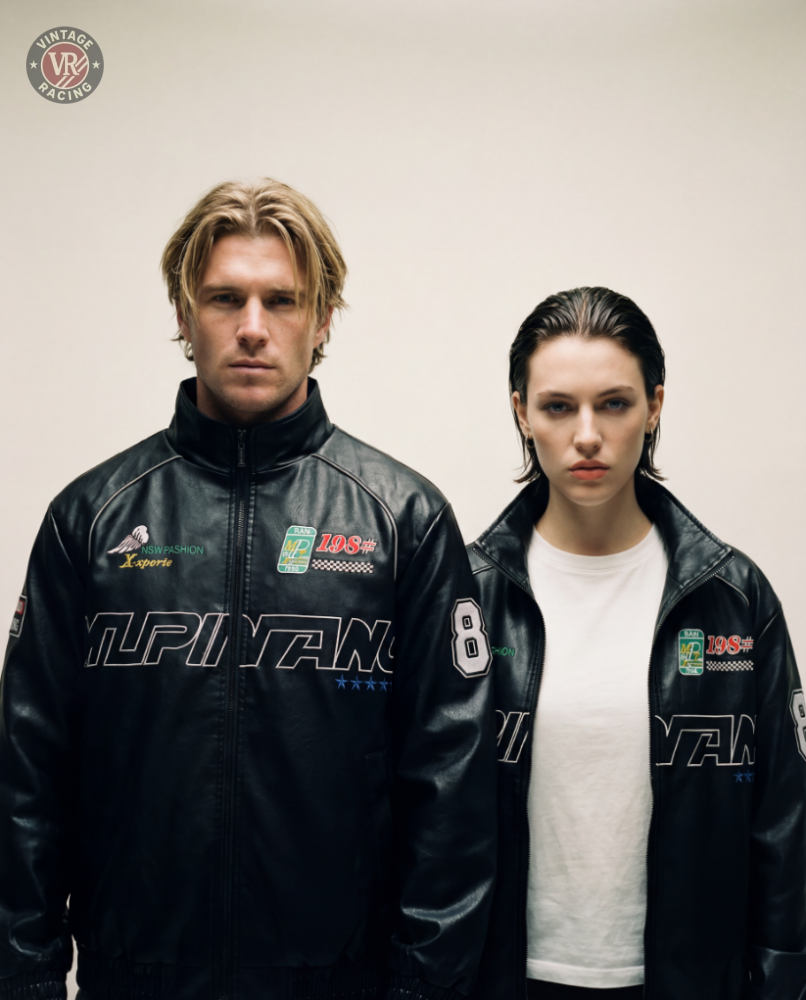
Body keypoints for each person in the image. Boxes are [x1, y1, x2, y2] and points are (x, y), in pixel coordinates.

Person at [0, 178, 497, 1000]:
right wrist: (24, 979)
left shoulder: (402, 518)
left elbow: (451, 793)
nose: (254, 328)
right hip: (140, 982)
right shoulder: (89, 519)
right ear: (183, 314)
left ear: (324, 318)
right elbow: (27, 779)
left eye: (283, 301)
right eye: (225, 298)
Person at [467, 287, 806, 1000]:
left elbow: (785, 824)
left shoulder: (733, 596)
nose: (586, 434)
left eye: (614, 404)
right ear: (520, 411)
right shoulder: (468, 594)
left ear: (654, 406)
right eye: (559, 406)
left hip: (686, 980)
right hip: (507, 978)